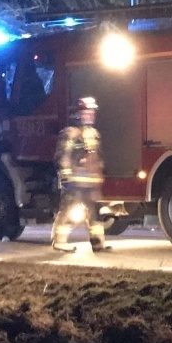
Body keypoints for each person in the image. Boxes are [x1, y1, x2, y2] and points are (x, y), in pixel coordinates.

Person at [52, 97, 106, 252]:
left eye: (92, 112)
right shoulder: (71, 134)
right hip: (75, 182)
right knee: (69, 210)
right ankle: (59, 241)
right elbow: (63, 156)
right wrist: (67, 177)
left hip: (91, 182)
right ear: (78, 114)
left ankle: (97, 242)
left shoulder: (94, 134)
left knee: (95, 213)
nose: (90, 115)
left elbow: (98, 156)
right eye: (86, 112)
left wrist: (99, 172)